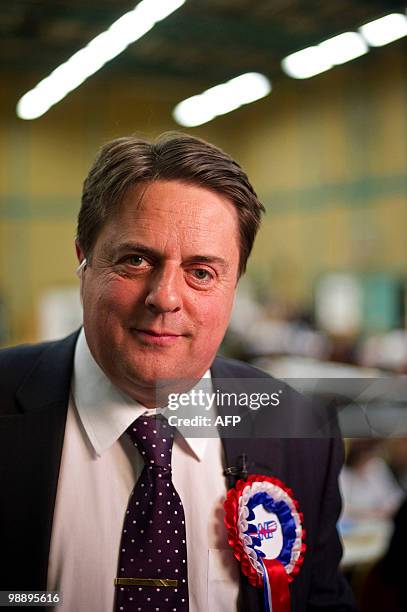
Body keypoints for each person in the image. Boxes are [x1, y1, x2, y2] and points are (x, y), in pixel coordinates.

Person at [0, 133, 356, 611]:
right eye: (135, 260)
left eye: (202, 272)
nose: (165, 297)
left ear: (235, 286)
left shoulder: (298, 430)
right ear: (82, 257)